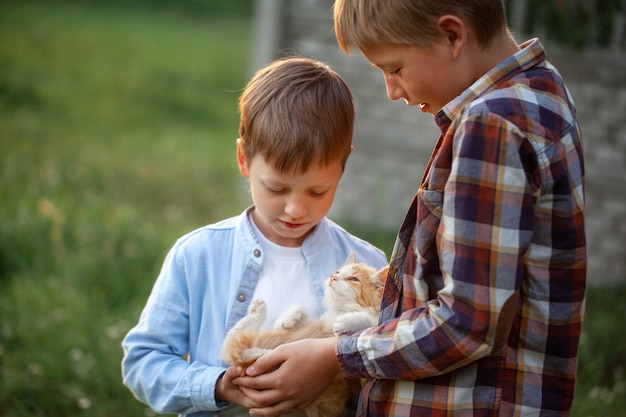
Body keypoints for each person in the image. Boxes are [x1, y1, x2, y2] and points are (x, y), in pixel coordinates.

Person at [232, 0, 587, 416]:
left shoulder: (491, 126)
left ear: (452, 35)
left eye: (395, 68)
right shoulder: (543, 91)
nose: (392, 90)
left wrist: (336, 354)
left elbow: (468, 322)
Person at [121, 56, 388, 417]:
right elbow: (143, 362)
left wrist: (332, 365)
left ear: (343, 166)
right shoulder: (197, 255)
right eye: (277, 188)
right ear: (243, 159)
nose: (296, 208)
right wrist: (217, 385)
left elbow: (386, 364)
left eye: (317, 191)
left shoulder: (367, 264)